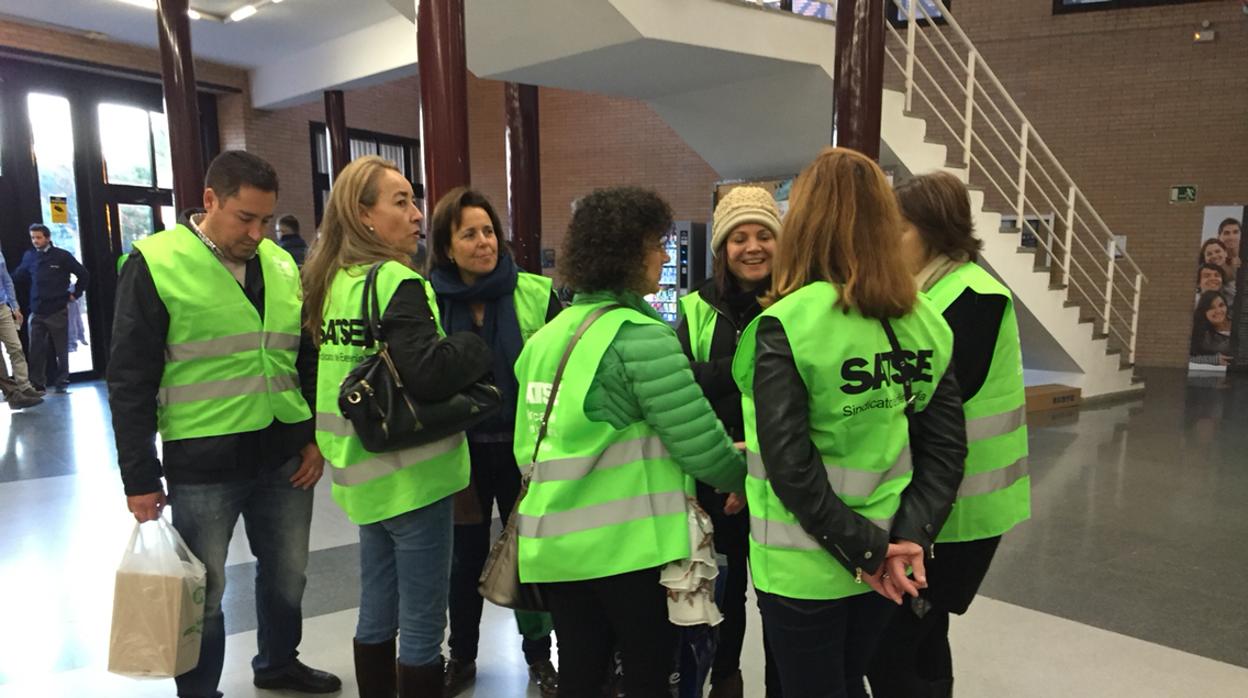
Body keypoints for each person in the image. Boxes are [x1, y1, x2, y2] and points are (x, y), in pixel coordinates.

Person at [731, 148, 967, 698]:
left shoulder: (786, 324)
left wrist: (871, 552)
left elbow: (791, 469)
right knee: (845, 678)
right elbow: (945, 450)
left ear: (802, 223)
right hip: (889, 556)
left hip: (803, 567)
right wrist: (904, 539)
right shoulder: (926, 319)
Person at [108, 151, 341, 698]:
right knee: (204, 592)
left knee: (289, 575)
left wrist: (312, 437)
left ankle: (279, 663)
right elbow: (130, 379)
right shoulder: (156, 262)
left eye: (266, 220)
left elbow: (303, 357)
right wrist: (139, 476)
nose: (257, 233)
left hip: (283, 454)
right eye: (245, 218)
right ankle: (198, 691)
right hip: (203, 460)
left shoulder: (281, 264)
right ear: (210, 200)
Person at [512, 186, 746, 698]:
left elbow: (526, 446)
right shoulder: (640, 337)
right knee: (646, 674)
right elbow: (699, 444)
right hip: (629, 551)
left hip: (555, 545)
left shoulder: (546, 338)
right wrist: (743, 475)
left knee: (580, 671)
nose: (663, 255)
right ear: (625, 253)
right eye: (656, 244)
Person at [301, 156, 492, 698]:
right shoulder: (396, 280)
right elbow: (428, 375)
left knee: (377, 608)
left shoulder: (331, 282)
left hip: (360, 475)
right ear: (364, 215)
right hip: (414, 476)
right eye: (401, 202)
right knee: (424, 623)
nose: (417, 214)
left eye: (414, 200)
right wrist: (472, 344)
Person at [867, 171, 1030, 698]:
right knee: (917, 633)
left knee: (904, 643)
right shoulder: (926, 293)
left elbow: (924, 403)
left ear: (935, 232)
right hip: (933, 506)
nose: (886, 242)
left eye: (899, 229)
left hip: (958, 512)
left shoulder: (973, 297)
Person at [427, 187, 562, 697]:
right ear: (447, 246)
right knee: (463, 559)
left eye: (489, 231)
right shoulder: (427, 298)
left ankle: (539, 656)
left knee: (531, 555)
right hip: (458, 453)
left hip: (523, 451)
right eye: (469, 234)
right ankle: (461, 657)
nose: (483, 242)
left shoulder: (535, 293)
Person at [675, 185, 783, 698]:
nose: (753, 247)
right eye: (739, 238)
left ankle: (783, 684)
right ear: (722, 247)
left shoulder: (799, 301)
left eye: (764, 234)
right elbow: (680, 381)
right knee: (723, 589)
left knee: (780, 594)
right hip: (716, 472)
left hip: (781, 474)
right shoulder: (696, 306)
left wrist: (716, 375)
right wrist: (748, 369)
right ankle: (725, 677)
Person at [14, 223, 89, 394]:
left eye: (39, 237)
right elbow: (18, 275)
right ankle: (37, 383)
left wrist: (75, 294)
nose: (35, 241)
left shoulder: (62, 256)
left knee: (61, 349)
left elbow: (83, 274)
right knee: (35, 350)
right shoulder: (30, 256)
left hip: (57, 309)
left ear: (47, 238)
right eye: (33, 238)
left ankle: (62, 381)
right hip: (37, 310)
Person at [0, 250, 42, 409]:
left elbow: (6, 279)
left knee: (16, 347)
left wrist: (15, 306)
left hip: (2, 307)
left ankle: (24, 386)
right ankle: (12, 394)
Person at [1191, 290, 1232, 365]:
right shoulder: (1203, 337)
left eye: (1221, 305)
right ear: (1204, 312)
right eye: (1211, 307)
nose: (1218, 311)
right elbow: (1188, 357)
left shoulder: (1240, 320)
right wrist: (1212, 359)